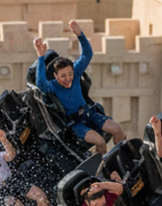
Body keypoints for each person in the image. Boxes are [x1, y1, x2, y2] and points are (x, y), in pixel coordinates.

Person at [33, 20, 125, 153]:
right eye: (63, 76)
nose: (68, 78)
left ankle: (123, 157)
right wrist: (41, 57)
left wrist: (80, 35)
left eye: (69, 74)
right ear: (56, 76)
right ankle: (103, 169)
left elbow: (87, 55)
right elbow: (41, 84)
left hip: (90, 113)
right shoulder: (52, 86)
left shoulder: (75, 74)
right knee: (100, 142)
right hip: (75, 123)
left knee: (117, 130)